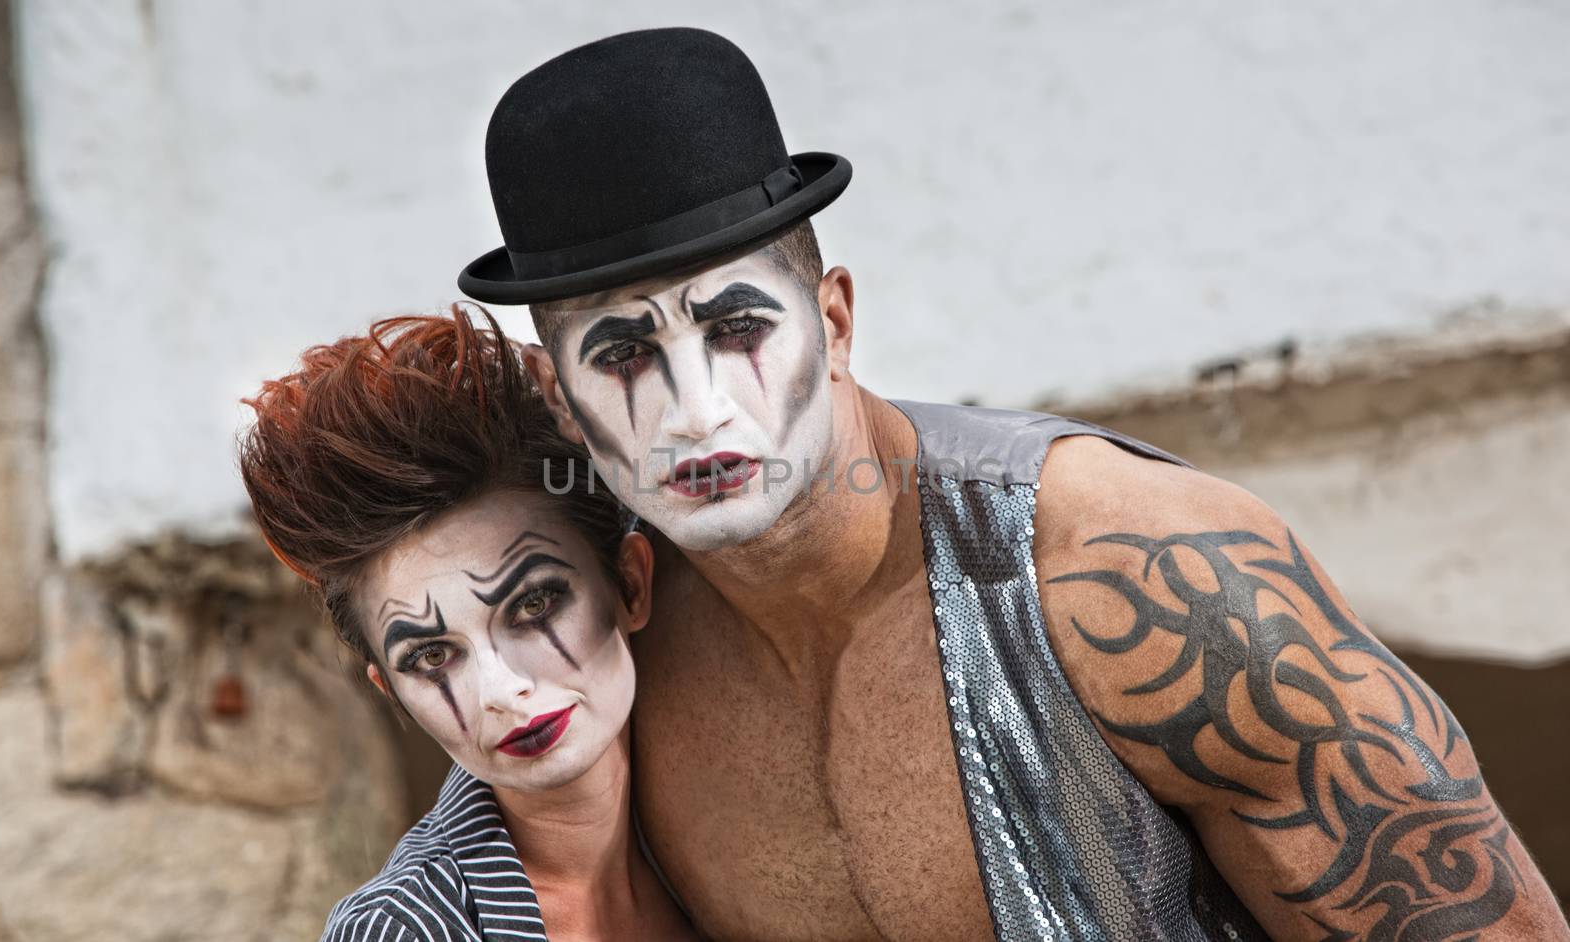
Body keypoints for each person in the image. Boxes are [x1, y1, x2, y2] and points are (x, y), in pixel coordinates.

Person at [453, 27, 1570, 941]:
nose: (694, 409)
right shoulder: (606, 659)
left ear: (833, 322)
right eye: (622, 356)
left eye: (737, 326)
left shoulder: (1136, 573)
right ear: (563, 398)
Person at [238, 309, 698, 941]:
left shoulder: (744, 825)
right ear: (389, 690)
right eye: (430, 657)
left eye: (532, 607)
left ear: (631, 584)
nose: (500, 691)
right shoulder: (405, 931)